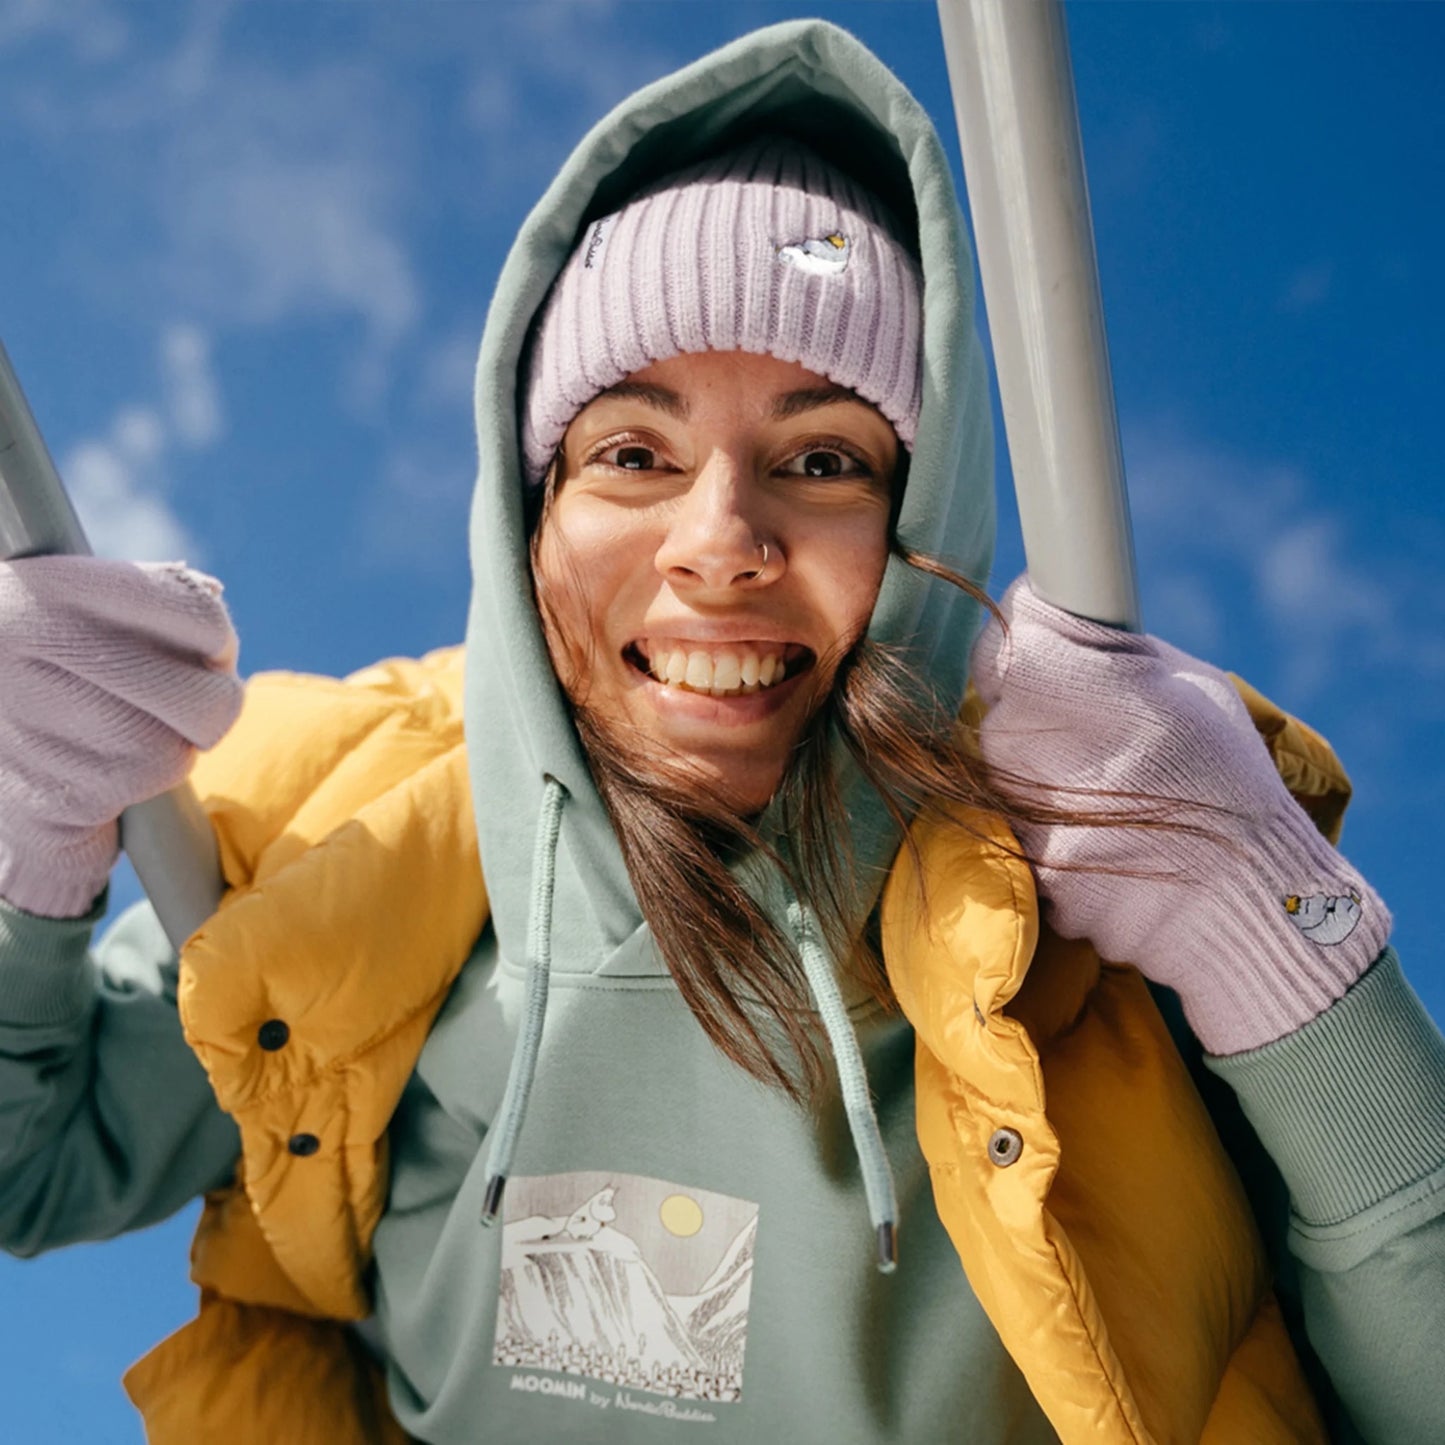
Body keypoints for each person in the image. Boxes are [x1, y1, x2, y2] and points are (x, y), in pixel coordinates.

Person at [0, 19, 1441, 1445]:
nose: (720, 542)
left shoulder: (1121, 847)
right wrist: (28, 825)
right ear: (529, 510)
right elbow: (32, 1168)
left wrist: (1276, 932)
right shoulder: (326, 833)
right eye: (633, 452)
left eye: (822, 460)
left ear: (918, 517)